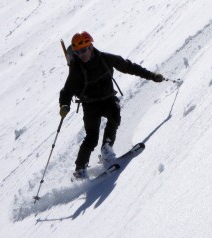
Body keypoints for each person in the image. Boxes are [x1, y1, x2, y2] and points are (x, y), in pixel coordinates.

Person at [59, 31, 163, 179]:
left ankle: (107, 148)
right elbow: (66, 91)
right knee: (91, 137)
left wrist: (152, 76)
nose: (82, 54)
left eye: (84, 50)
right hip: (90, 105)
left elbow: (129, 67)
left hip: (107, 98)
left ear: (91, 47)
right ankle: (80, 169)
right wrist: (64, 105)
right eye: (78, 52)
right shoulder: (76, 69)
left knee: (114, 114)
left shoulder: (105, 59)